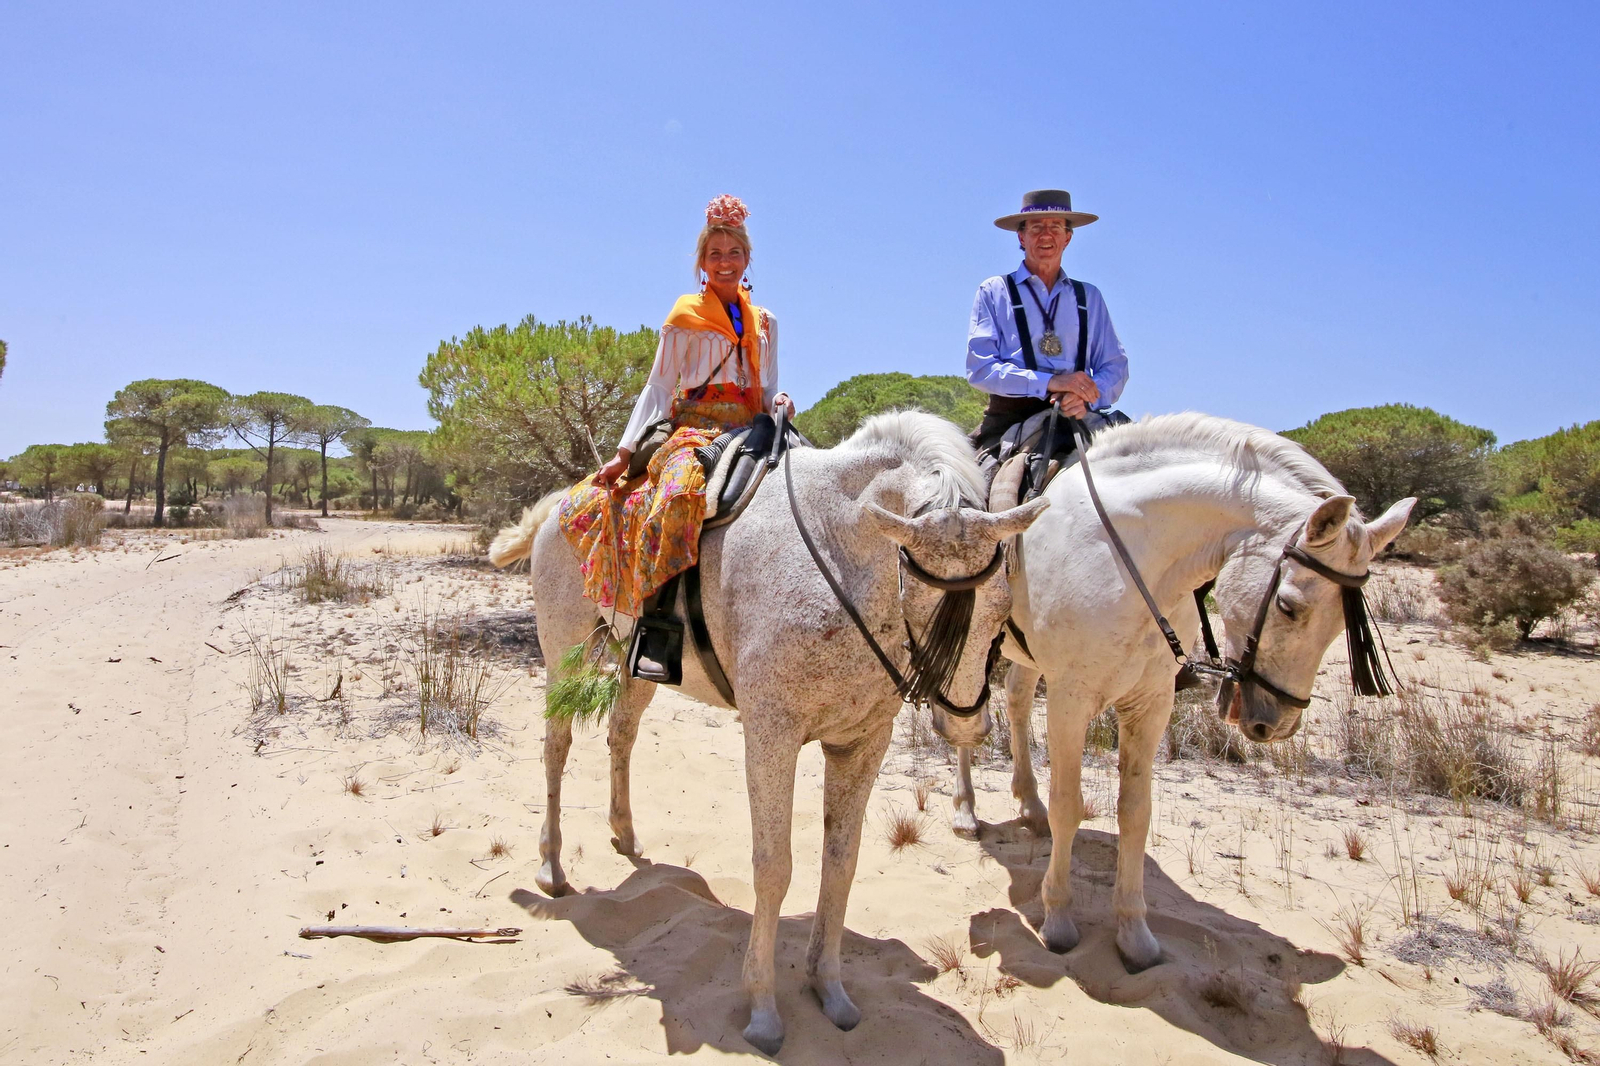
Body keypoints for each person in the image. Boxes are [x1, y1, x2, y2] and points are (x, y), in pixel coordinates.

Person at [557, 194, 792, 619]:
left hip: (753, 425)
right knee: (680, 492)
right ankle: (657, 615)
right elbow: (659, 387)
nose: (725, 262)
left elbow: (768, 387)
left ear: (747, 258)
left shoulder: (766, 322)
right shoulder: (685, 315)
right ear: (702, 262)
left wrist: (780, 402)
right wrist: (624, 452)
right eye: (715, 253)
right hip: (697, 427)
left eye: (734, 252)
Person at [966, 189, 1128, 458]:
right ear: (1021, 236)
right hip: (1010, 422)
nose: (1046, 234)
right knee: (973, 490)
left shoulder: (1089, 297)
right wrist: (1052, 382)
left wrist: (1088, 395)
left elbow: (1115, 365)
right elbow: (981, 369)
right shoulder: (994, 291)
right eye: (1036, 227)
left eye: (1055, 227)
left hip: (1080, 415)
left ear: (1067, 238)